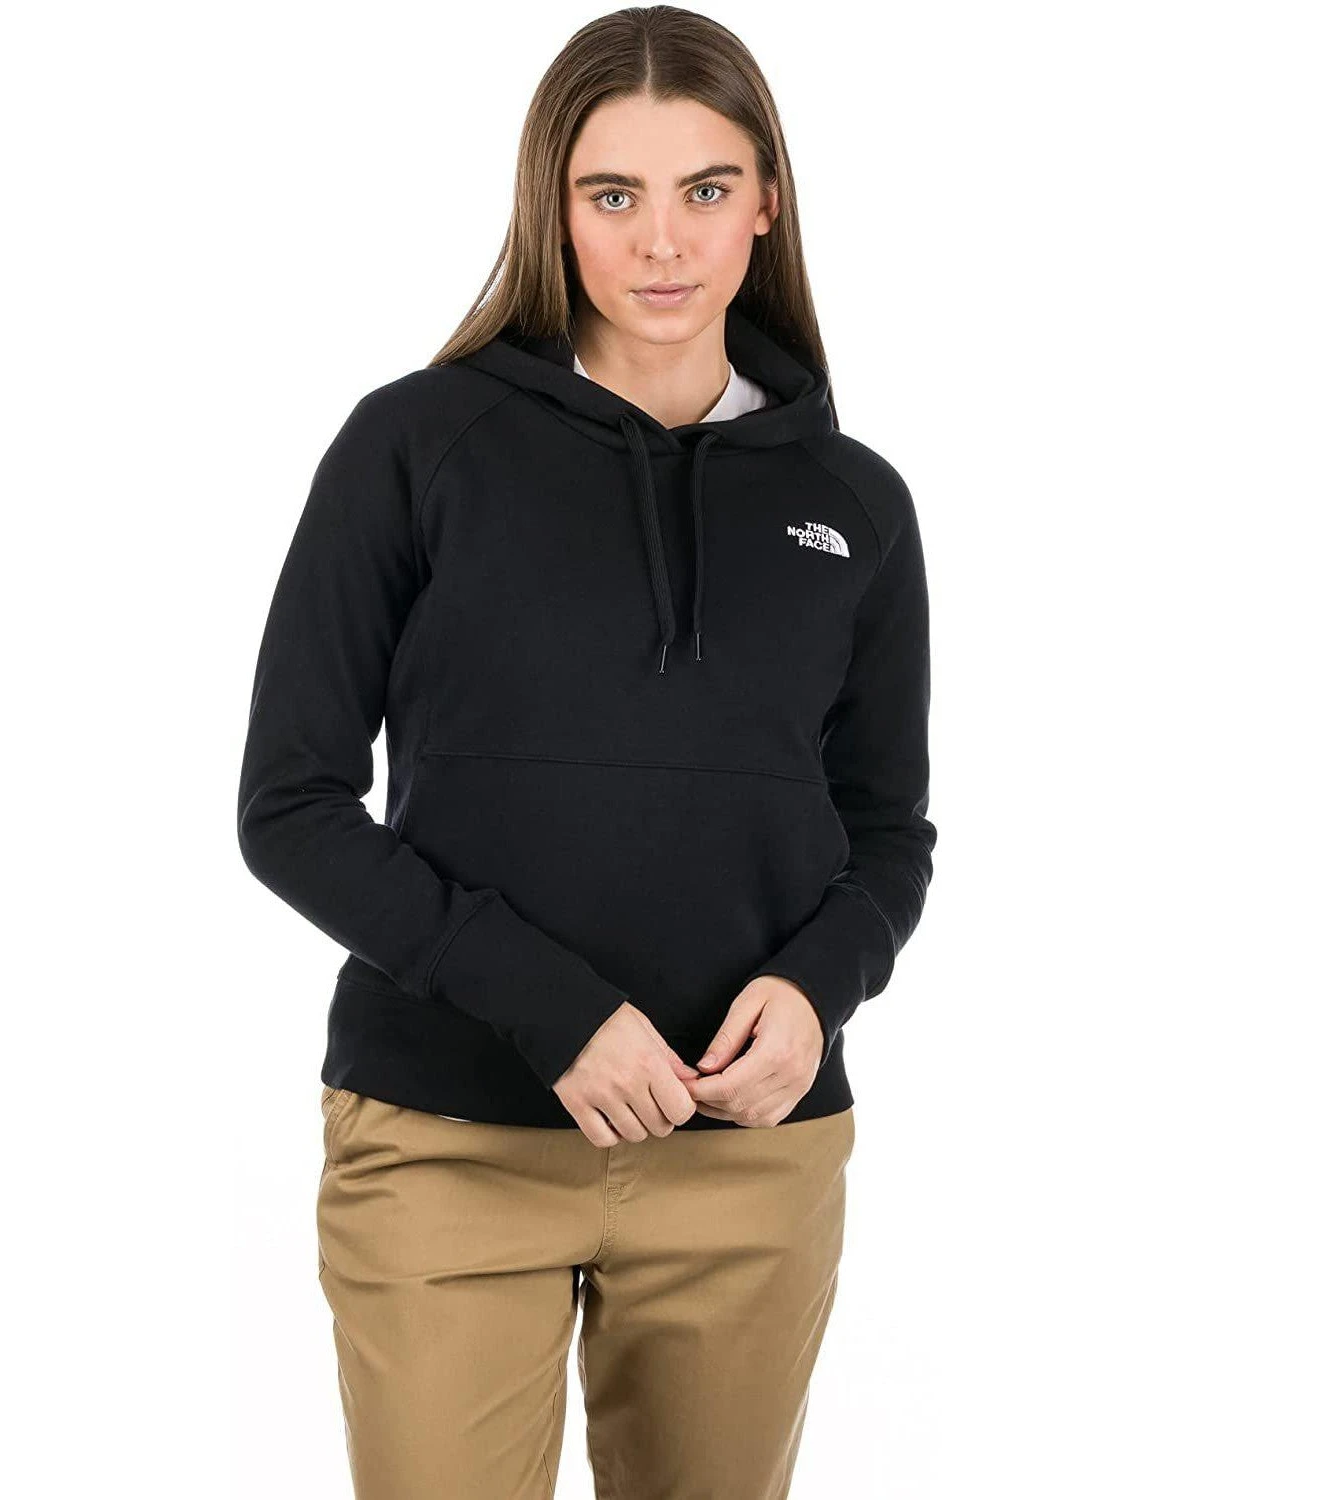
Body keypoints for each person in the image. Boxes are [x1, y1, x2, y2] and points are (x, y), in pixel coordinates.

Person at [236, 7, 936, 1496]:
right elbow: (290, 805)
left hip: (747, 1159)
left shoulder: (854, 501)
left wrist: (819, 991)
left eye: (705, 189)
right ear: (551, 208)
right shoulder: (415, 446)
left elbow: (888, 828)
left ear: (767, 203)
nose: (661, 243)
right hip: (445, 1143)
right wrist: (550, 1009)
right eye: (612, 194)